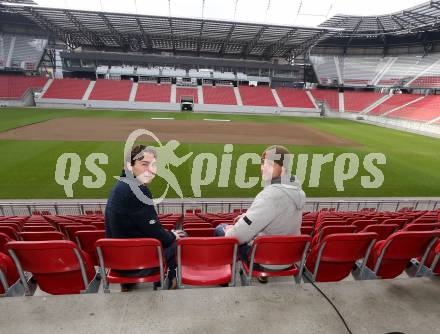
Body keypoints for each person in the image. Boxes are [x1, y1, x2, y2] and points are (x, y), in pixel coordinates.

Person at [215, 145, 306, 283]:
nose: (263, 168)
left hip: (266, 260)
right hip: (289, 257)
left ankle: (223, 278)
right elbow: (276, 218)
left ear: (283, 168)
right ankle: (262, 275)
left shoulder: (270, 195)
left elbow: (236, 237)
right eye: (263, 163)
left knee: (220, 229)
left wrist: (229, 231)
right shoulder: (297, 191)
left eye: (270, 164)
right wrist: (246, 217)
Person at [105, 145, 184, 291]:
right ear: (130, 166)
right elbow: (156, 232)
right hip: (137, 264)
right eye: (144, 164)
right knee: (180, 238)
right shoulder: (137, 191)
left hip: (118, 261)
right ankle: (171, 282)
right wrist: (172, 235)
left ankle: (127, 284)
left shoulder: (120, 185)